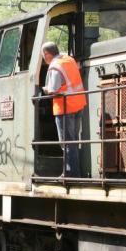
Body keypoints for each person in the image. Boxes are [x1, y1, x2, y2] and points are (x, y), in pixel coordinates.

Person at [41, 41, 87, 177]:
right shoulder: (69, 59)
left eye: (43, 56)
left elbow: (53, 90)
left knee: (66, 142)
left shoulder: (55, 67)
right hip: (79, 103)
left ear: (47, 54)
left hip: (65, 107)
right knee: (73, 141)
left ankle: (70, 173)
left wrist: (44, 90)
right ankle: (75, 171)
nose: (44, 59)